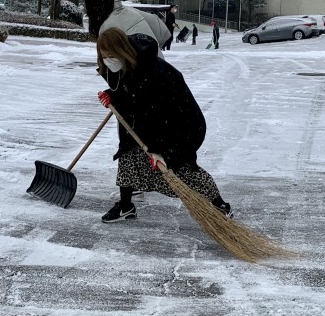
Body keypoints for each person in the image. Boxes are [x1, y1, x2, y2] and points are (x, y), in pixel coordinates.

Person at [95, 27, 232, 223]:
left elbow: (157, 111)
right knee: (128, 153)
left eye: (111, 55)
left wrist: (159, 150)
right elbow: (130, 92)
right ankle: (126, 206)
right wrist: (113, 95)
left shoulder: (152, 71)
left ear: (122, 50)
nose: (108, 59)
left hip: (181, 124)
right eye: (104, 56)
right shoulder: (126, 64)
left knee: (181, 168)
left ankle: (219, 205)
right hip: (153, 121)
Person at [83, 0, 171, 47]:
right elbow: (162, 31)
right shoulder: (133, 12)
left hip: (136, 66)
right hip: (157, 63)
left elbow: (113, 63)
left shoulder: (107, 29)